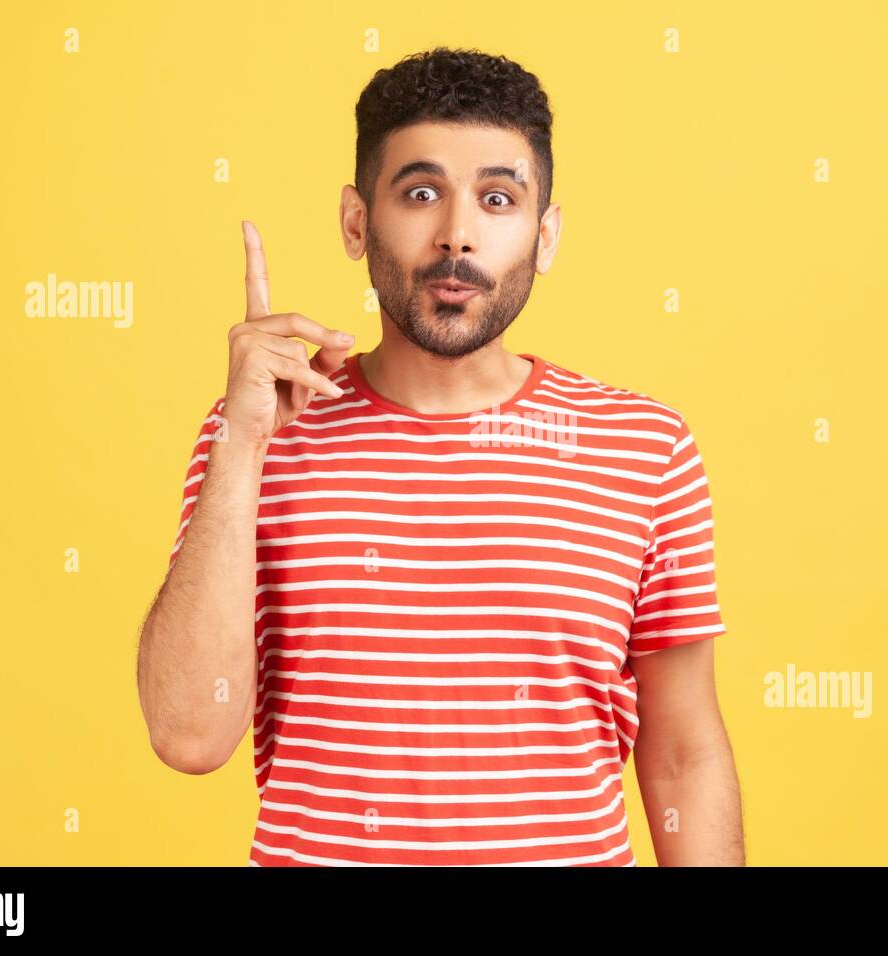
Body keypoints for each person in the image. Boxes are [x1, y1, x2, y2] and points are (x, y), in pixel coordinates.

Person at [136, 46, 743, 866]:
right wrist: (242, 447)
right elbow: (188, 734)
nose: (458, 235)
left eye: (498, 198)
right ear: (357, 222)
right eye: (421, 194)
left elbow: (681, 756)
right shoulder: (257, 433)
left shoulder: (644, 450)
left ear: (546, 233)